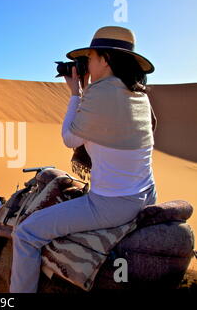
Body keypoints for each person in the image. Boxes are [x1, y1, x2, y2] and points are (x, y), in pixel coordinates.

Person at [10, 26, 158, 293]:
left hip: (112, 205)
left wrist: (75, 93)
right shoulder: (138, 94)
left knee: (26, 234)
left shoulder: (101, 94)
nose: (86, 63)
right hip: (147, 194)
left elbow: (70, 138)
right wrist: (87, 87)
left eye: (89, 57)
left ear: (105, 59)